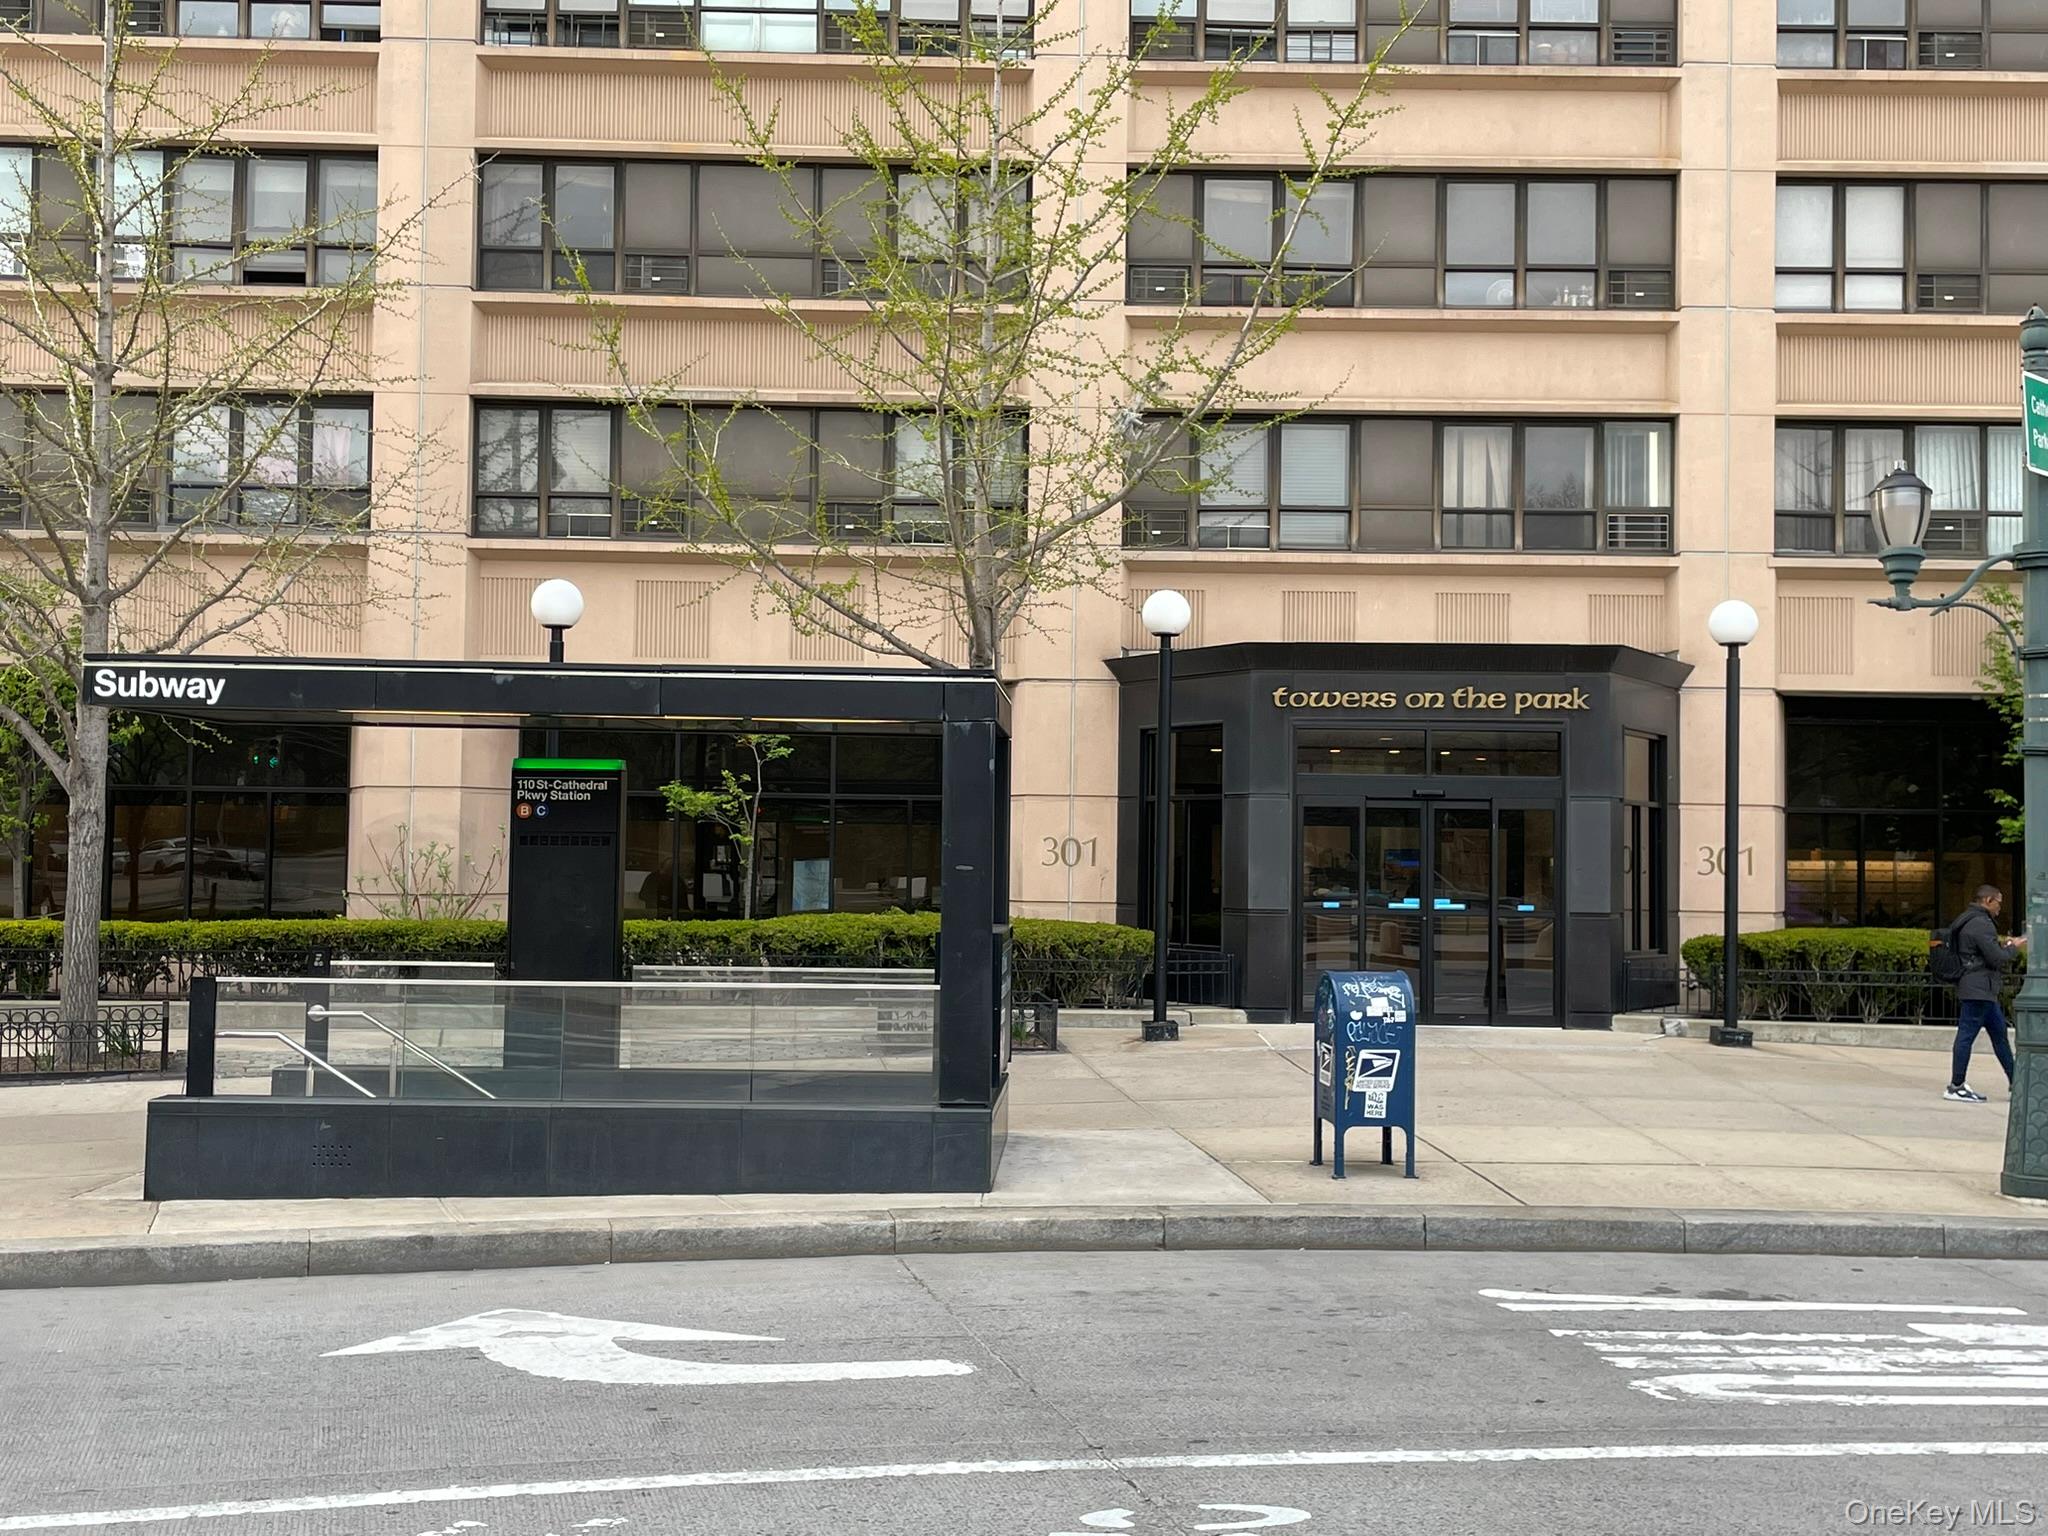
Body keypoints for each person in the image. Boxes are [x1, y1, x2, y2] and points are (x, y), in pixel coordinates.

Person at [1942, 883, 2021, 1103]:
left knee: (1999, 1036)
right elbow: (1997, 958)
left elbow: (1986, 952)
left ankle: (2016, 1082)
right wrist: (2014, 946)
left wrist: (2004, 947)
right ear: (1987, 901)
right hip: (1978, 989)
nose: (1999, 908)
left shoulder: (1968, 919)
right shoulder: (1981, 924)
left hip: (1980, 989)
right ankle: (1956, 1086)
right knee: (1966, 1036)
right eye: (1998, 903)